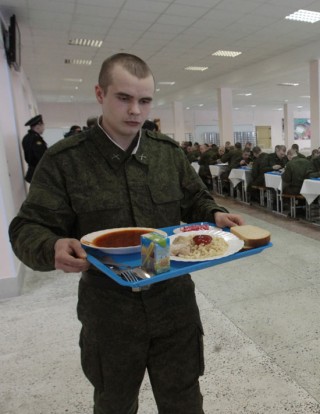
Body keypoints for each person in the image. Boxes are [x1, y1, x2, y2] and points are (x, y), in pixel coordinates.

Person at [8, 53, 244, 413]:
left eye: (145, 100)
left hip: (173, 304)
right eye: (124, 98)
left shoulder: (168, 155)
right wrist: (50, 245)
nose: (135, 110)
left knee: (184, 401)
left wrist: (215, 213)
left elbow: (195, 197)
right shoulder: (65, 161)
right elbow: (27, 226)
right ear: (100, 94)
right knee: (114, 403)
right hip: (110, 312)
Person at [21, 114, 48, 183]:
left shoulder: (27, 137)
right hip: (38, 172)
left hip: (33, 171)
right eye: (43, 125)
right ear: (38, 126)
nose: (43, 128)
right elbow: (41, 156)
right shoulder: (36, 139)